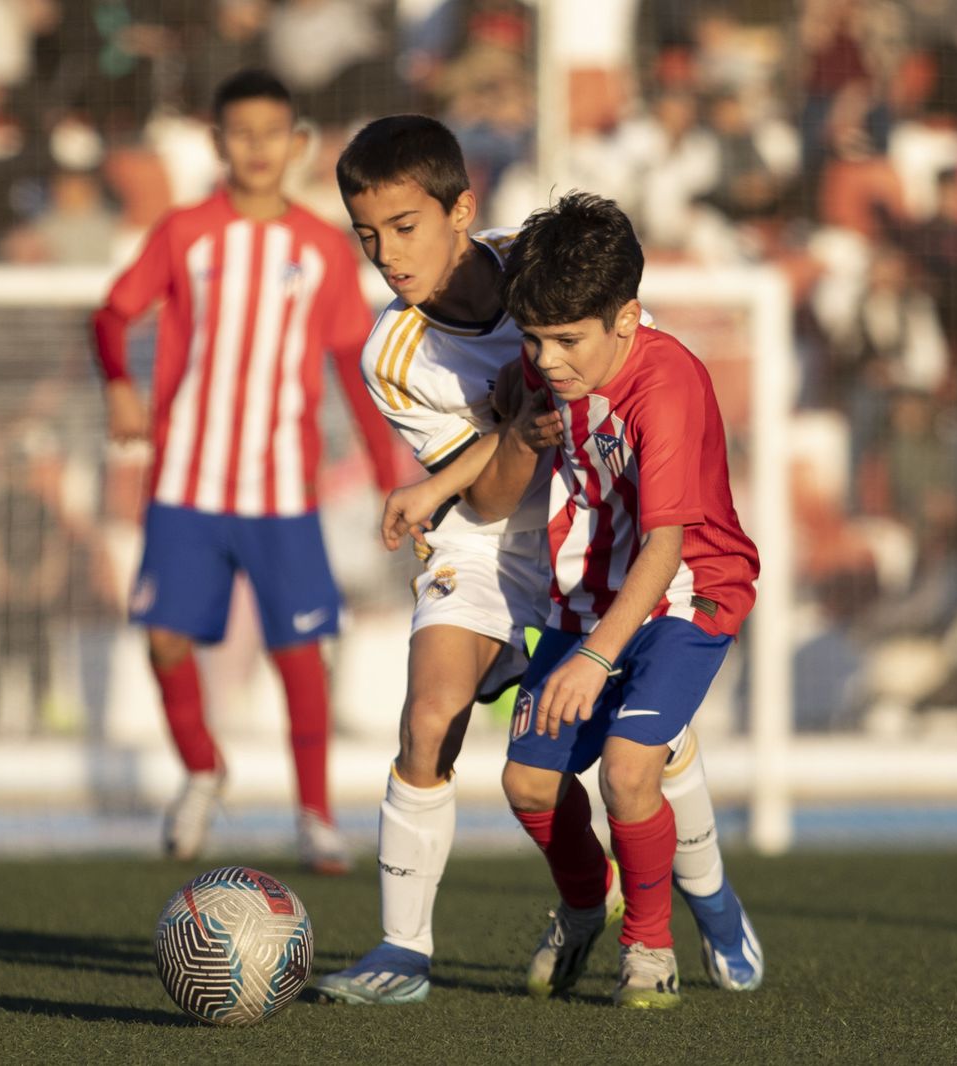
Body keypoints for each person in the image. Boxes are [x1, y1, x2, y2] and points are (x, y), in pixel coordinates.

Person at [315, 119, 760, 1005]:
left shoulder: (544, 265)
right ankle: (406, 953)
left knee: (646, 751)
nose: (386, 256)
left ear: (461, 210)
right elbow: (482, 503)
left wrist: (449, 472)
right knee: (431, 717)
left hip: (601, 525)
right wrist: (487, 453)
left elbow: (634, 378)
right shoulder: (390, 354)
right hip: (489, 542)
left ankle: (702, 893)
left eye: (405, 227)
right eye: (367, 236)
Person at [90, 69, 400, 874]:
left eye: (274, 133)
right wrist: (120, 385)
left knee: (300, 654)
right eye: (242, 133)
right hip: (186, 478)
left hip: (279, 489)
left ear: (297, 145)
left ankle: (315, 815)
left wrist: (386, 471)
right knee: (163, 640)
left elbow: (349, 363)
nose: (258, 148)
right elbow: (113, 311)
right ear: (217, 142)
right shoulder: (185, 231)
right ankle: (201, 769)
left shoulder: (323, 247)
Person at [472, 192, 762, 1008]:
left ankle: (655, 943)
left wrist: (596, 659)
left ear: (627, 319)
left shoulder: (667, 385)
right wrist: (504, 424)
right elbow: (510, 389)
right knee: (527, 787)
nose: (548, 358)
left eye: (566, 340)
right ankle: (581, 903)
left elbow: (666, 546)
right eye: (534, 337)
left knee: (630, 774)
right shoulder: (549, 359)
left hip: (685, 595)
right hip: (588, 597)